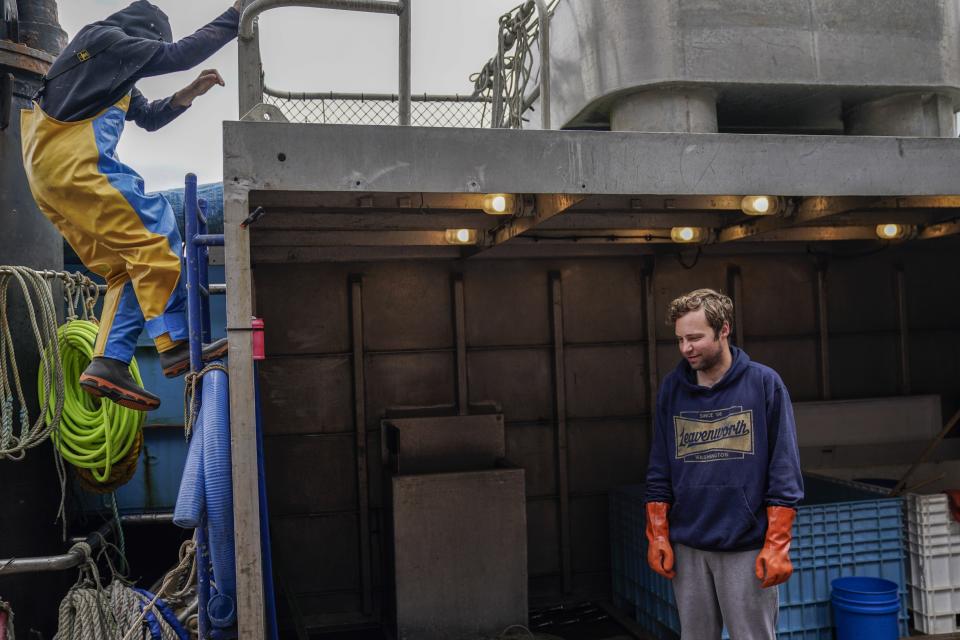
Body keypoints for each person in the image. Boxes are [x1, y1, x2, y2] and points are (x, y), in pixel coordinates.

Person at [20, 1, 244, 411]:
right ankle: (175, 341)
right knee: (156, 228)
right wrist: (237, 14)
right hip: (75, 164)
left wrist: (187, 94)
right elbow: (179, 55)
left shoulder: (107, 70)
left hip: (49, 175)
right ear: (144, 34)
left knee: (127, 265)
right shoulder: (104, 39)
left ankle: (108, 362)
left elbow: (148, 117)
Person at [644, 288, 803, 639]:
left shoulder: (764, 384)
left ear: (724, 330)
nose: (686, 348)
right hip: (688, 545)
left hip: (745, 545)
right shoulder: (672, 388)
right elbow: (659, 467)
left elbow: (784, 469)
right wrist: (658, 534)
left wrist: (777, 545)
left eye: (696, 337)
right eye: (681, 339)